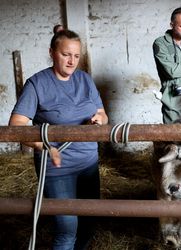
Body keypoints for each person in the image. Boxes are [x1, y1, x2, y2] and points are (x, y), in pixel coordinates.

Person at [9, 26, 108, 249]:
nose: (72, 61)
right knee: (66, 228)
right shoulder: (37, 84)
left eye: (76, 56)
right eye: (65, 55)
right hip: (57, 166)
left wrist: (99, 121)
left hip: (89, 163)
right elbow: (16, 126)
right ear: (52, 52)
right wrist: (42, 146)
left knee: (89, 221)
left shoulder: (85, 80)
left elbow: (102, 114)